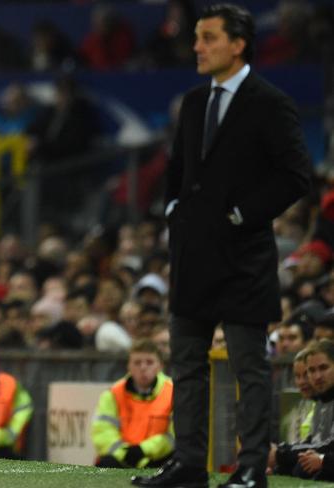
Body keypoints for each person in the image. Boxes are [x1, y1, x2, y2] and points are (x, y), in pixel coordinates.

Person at [131, 4, 311, 488]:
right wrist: (172, 210)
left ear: (238, 44)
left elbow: (296, 175)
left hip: (243, 256)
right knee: (187, 365)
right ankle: (189, 463)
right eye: (197, 37)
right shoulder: (193, 102)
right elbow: (177, 167)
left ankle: (253, 466)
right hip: (193, 255)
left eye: (208, 37)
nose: (197, 46)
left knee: (249, 368)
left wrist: (241, 215)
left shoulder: (269, 102)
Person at [92, 339, 174, 469]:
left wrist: (143, 450)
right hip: (122, 458)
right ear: (128, 366)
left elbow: (173, 436)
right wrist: (127, 455)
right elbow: (103, 433)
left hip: (159, 458)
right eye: (137, 362)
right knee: (106, 462)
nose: (143, 367)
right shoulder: (113, 394)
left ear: (160, 366)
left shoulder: (173, 392)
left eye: (149, 362)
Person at [270, 340, 334, 481]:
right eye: (311, 370)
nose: (317, 376)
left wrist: (280, 454)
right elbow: (315, 440)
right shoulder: (321, 400)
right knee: (288, 468)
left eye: (323, 368)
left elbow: (329, 444)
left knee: (303, 469)